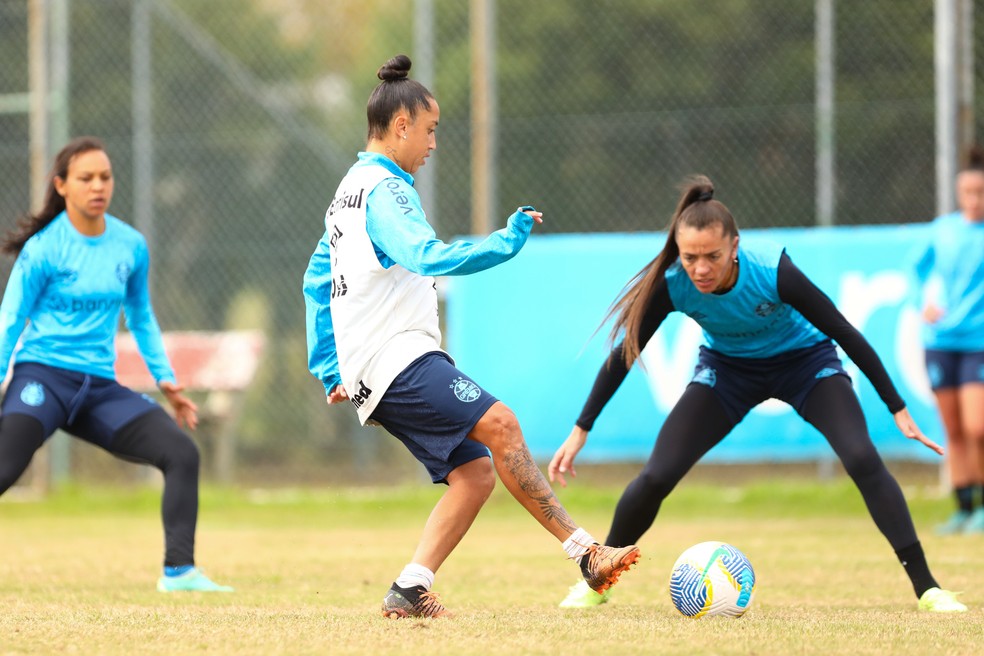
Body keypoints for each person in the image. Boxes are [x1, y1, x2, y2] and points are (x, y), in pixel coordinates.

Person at [303, 54, 640, 619]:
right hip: (396, 359)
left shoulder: (347, 192)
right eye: (430, 130)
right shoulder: (387, 189)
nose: (433, 144)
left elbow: (316, 281)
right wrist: (504, 242)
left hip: (375, 369)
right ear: (402, 126)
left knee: (475, 474)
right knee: (503, 425)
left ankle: (410, 588)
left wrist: (332, 368)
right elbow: (425, 255)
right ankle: (586, 554)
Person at [548, 175, 967, 613]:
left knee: (862, 458)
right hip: (727, 373)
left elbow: (843, 331)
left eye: (712, 256)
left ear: (735, 246)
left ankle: (928, 589)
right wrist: (581, 428)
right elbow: (625, 353)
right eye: (690, 257)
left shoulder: (772, 270)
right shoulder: (673, 283)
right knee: (656, 476)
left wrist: (896, 406)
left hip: (806, 366)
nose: (701, 268)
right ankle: (598, 581)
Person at [0, 136, 231, 593]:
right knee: (5, 469)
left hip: (97, 389)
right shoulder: (44, 249)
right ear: (62, 185)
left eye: (105, 177)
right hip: (42, 378)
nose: (98, 186)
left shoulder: (130, 245)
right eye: (85, 178)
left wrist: (165, 380)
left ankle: (179, 572)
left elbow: (140, 316)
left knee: (181, 453)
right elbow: (11, 317)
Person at [912, 145, 984, 535]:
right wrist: (922, 302)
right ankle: (963, 508)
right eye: (967, 192)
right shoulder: (943, 230)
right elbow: (914, 270)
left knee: (978, 427)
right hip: (940, 341)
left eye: (980, 192)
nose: (974, 200)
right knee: (953, 430)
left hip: (978, 342)